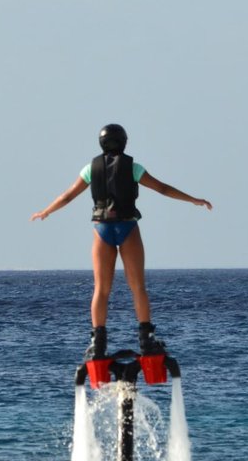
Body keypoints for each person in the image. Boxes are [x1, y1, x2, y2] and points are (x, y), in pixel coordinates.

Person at [30, 124, 213, 360]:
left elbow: (67, 196)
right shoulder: (133, 167)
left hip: (102, 229)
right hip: (127, 227)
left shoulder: (90, 169)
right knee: (137, 287)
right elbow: (163, 189)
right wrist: (193, 200)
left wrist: (46, 211)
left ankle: (97, 343)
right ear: (124, 142)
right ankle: (147, 340)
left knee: (101, 289)